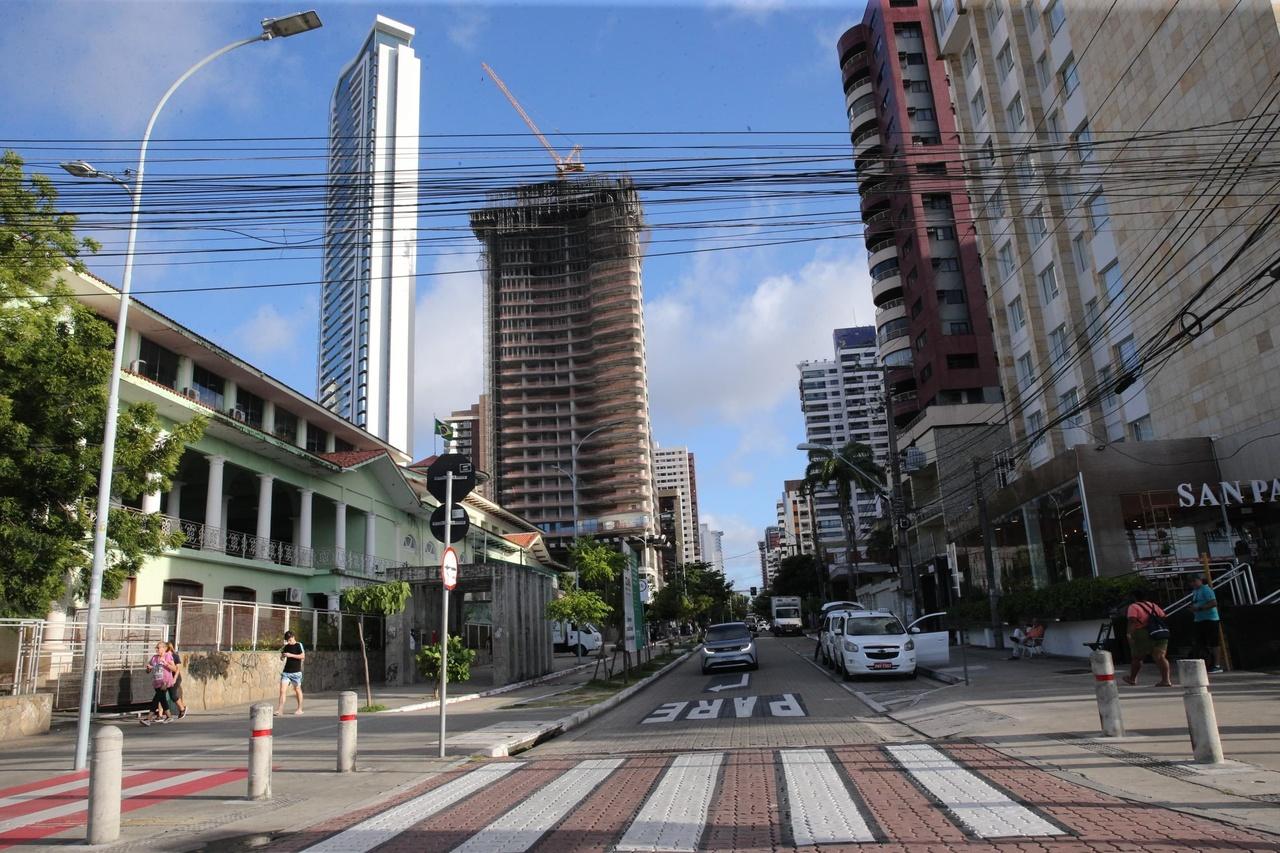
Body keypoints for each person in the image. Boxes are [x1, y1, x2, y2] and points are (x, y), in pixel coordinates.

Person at [1124, 589, 1172, 687]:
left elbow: (1132, 620)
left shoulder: (1133, 606)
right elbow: (1163, 616)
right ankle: (1166, 680)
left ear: (1134, 597)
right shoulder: (1153, 605)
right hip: (1159, 633)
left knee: (1137, 657)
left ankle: (1132, 678)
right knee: (1160, 657)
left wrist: (1129, 634)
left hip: (1142, 633)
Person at [1190, 576, 1224, 673]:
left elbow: (1213, 603)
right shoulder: (1195, 591)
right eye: (1191, 582)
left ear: (1200, 580)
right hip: (1199, 619)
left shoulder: (1206, 590)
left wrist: (1200, 608)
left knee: (1214, 642)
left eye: (1194, 581)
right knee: (1200, 642)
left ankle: (1217, 665)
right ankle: (1206, 662)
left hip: (1210, 619)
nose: (1193, 584)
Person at [141, 641, 177, 726]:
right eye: (156, 648)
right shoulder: (154, 658)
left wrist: (166, 663)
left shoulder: (168, 656)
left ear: (164, 648)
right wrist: (148, 668)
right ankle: (169, 716)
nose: (156, 649)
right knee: (162, 699)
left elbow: (174, 669)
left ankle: (148, 718)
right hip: (157, 682)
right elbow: (148, 670)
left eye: (158, 647)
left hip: (165, 682)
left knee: (156, 699)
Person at [276, 630, 305, 716]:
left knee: (297, 690)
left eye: (289, 640)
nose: (288, 642)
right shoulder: (286, 646)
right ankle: (280, 710)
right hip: (286, 672)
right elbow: (282, 657)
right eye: (287, 640)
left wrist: (291, 655)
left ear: (293, 637)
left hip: (296, 672)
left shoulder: (299, 645)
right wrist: (282, 656)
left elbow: (302, 656)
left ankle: (300, 709)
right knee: (282, 691)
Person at [166, 642, 188, 719]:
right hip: (167, 678)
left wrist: (175, 678)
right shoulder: (164, 656)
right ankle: (160, 714)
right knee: (161, 695)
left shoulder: (174, 656)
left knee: (173, 695)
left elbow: (177, 669)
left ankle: (182, 708)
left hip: (175, 678)